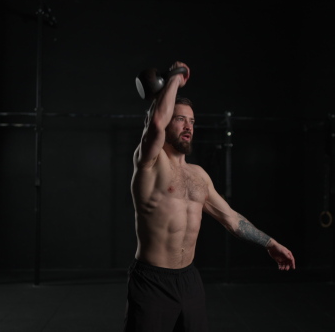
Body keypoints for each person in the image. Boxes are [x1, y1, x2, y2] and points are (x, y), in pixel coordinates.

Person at [123, 61, 296, 332]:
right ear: (168, 119)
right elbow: (156, 123)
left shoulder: (199, 175)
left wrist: (270, 243)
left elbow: (231, 219)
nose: (188, 125)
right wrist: (175, 79)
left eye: (192, 121)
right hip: (152, 281)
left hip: (189, 280)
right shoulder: (149, 162)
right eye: (180, 118)